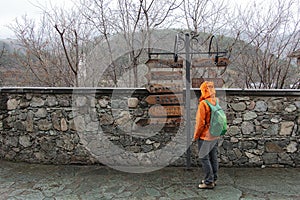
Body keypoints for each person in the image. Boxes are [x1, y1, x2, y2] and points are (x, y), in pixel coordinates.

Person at [193, 81, 219, 189]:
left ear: (203, 90)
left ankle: (208, 182)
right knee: (213, 157)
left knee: (204, 158)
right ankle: (214, 178)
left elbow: (200, 123)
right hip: (215, 135)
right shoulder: (216, 101)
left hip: (205, 136)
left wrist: (195, 136)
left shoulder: (203, 104)